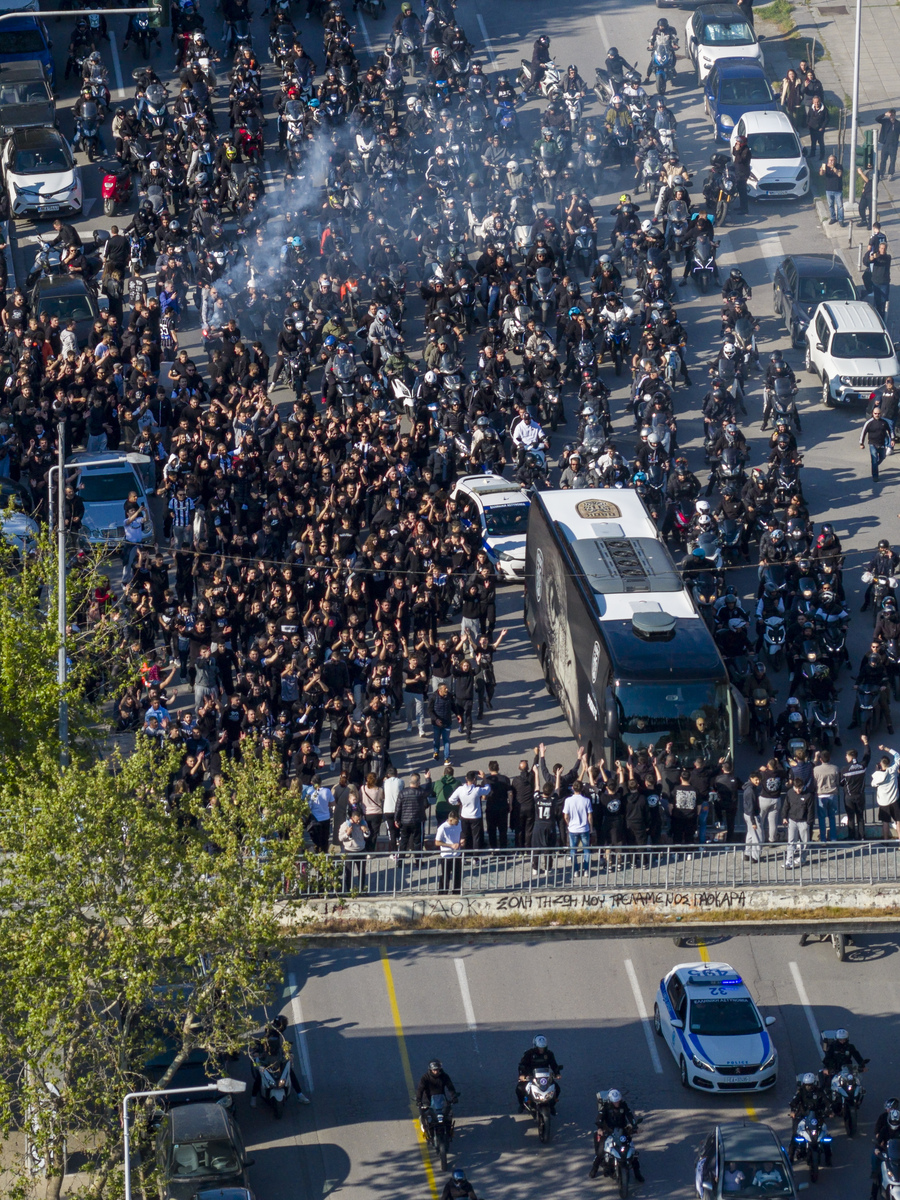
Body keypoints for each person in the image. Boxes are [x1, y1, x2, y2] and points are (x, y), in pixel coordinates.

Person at [249, 1015, 311, 1106]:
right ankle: (253, 1097)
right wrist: (258, 1052)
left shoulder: (280, 1034)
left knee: (290, 1072)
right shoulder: (270, 1032)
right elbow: (261, 1042)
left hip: (278, 1058)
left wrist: (289, 1053)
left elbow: (284, 1045)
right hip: (267, 1059)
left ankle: (299, 1094)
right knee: (260, 1076)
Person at [595, 1089, 644, 1182]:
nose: (617, 1103)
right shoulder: (606, 1107)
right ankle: (594, 1169)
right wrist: (600, 1128)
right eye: (615, 1101)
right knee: (600, 1152)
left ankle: (637, 1174)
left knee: (632, 1151)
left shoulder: (623, 1106)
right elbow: (600, 1118)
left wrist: (635, 1127)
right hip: (609, 1131)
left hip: (622, 1131)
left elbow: (630, 1115)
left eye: (618, 1101)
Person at [516, 1035, 561, 1111]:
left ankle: (552, 1105)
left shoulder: (549, 1054)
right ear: (535, 1046)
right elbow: (522, 1065)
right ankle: (522, 1104)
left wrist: (557, 1073)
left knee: (557, 1089)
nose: (541, 1050)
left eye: (543, 1048)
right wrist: (522, 1075)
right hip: (531, 1077)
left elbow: (554, 1064)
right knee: (519, 1089)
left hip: (545, 1077)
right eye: (539, 1048)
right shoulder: (528, 1054)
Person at [448, 769, 490, 850]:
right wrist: (484, 778)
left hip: (464, 816)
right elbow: (487, 789)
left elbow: (451, 800)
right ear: (474, 779)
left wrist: (458, 803)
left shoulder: (460, 789)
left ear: (466, 778)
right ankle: (475, 855)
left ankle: (465, 852)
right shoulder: (477, 790)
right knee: (476, 837)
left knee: (465, 836)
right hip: (475, 816)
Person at [788, 1071, 830, 1145]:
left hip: (817, 1115)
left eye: (810, 1085)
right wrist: (793, 1112)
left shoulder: (819, 1091)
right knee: (795, 1135)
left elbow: (827, 1101)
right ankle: (791, 1151)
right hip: (803, 1115)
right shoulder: (801, 1092)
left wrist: (829, 1111)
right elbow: (794, 1102)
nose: (808, 1087)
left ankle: (827, 1149)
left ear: (814, 1084)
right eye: (807, 1085)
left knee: (825, 1134)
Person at [563, 779, 592, 875]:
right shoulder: (586, 800)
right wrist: (591, 827)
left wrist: (569, 824)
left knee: (573, 850)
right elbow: (589, 816)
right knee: (586, 849)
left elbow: (566, 816)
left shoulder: (568, 800)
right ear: (582, 788)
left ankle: (575, 870)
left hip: (573, 828)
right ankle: (586, 870)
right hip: (584, 828)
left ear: (572, 788)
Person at [872, 745, 900, 841]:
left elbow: (873, 784)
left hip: (883, 802)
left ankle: (886, 841)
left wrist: (877, 771)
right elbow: (897, 755)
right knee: (898, 821)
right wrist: (885, 748)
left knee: (885, 822)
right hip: (894, 800)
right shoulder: (893, 770)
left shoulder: (877, 775)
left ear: (881, 764)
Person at [337, 809, 370, 890]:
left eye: (359, 819)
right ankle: (349, 890)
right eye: (356, 820)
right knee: (349, 872)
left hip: (361, 850)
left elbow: (367, 835)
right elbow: (340, 838)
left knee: (362, 871)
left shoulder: (363, 823)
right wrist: (347, 833)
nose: (358, 821)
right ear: (352, 818)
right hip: (349, 851)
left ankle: (361, 889)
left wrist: (366, 830)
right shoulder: (345, 825)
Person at [860, 405, 894, 481]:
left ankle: (875, 465)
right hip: (872, 443)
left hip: (882, 444)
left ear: (880, 414)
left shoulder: (884, 422)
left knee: (882, 457)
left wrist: (892, 439)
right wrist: (861, 443)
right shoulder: (869, 422)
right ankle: (875, 476)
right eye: (875, 413)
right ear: (873, 413)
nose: (877, 415)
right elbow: (863, 432)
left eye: (878, 413)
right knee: (874, 458)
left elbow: (890, 431)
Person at [436, 809, 464, 892]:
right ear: (451, 820)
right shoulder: (443, 828)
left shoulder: (459, 824)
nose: (457, 822)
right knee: (445, 876)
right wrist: (450, 845)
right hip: (446, 856)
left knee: (457, 876)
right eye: (456, 820)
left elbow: (462, 833)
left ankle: (456, 892)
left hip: (457, 854)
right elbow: (437, 842)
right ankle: (443, 893)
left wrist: (462, 840)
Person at [868, 241, 892, 319]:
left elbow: (883, 258)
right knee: (877, 300)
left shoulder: (888, 257)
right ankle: (878, 314)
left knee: (884, 300)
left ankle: (882, 316)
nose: (882, 250)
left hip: (884, 282)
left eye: (884, 248)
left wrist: (876, 256)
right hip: (876, 282)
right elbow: (869, 261)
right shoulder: (876, 258)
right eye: (881, 248)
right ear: (879, 248)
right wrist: (872, 257)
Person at [821, 154, 844, 225]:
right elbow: (821, 174)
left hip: (838, 189)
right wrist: (822, 170)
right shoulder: (826, 166)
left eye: (833, 160)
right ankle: (833, 218)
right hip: (829, 189)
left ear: (835, 160)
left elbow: (839, 174)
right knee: (830, 205)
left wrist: (833, 167)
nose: (831, 161)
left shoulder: (839, 166)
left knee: (840, 206)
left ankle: (840, 219)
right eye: (830, 160)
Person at [878, 108, 900, 178]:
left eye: (893, 115)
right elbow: (877, 119)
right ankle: (881, 173)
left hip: (893, 145)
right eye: (890, 115)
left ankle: (891, 173)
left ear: (895, 115)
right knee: (883, 160)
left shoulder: (898, 123)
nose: (891, 117)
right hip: (885, 144)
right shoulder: (885, 122)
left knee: (892, 160)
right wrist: (884, 114)